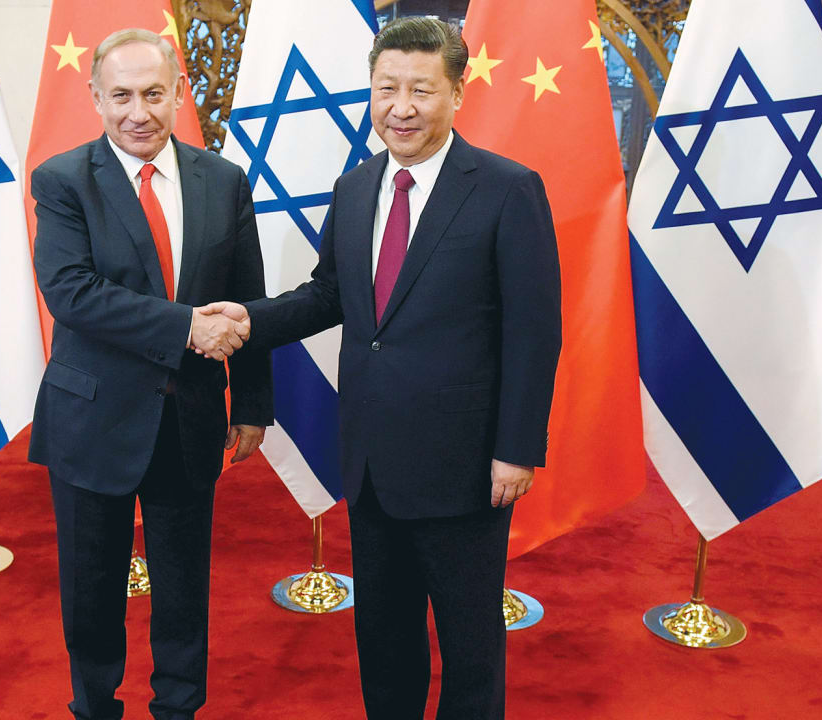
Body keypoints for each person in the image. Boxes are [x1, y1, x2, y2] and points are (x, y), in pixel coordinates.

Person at [198, 17, 560, 719]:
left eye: (421, 90)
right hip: (370, 458)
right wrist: (252, 320)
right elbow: (331, 293)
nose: (401, 107)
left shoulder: (508, 190)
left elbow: (534, 332)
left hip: (465, 466)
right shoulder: (356, 186)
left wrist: (516, 449)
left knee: (470, 645)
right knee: (384, 637)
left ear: (457, 92)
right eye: (386, 88)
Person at [27, 28, 272, 720]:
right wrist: (185, 327)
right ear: (96, 98)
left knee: (183, 586)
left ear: (178, 93)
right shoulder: (63, 179)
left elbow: (244, 297)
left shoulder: (222, 181)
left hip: (189, 417)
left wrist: (251, 402)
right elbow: (70, 292)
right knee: (92, 584)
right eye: (123, 96)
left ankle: (178, 707)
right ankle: (96, 705)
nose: (139, 112)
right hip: (92, 419)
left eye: (154, 94)